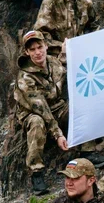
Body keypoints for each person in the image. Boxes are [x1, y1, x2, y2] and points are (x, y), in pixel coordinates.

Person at [14, 29, 68, 193]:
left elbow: (64, 72)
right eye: (32, 49)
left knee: (77, 108)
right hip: (35, 114)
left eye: (39, 47)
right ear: (26, 52)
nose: (37, 52)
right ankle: (36, 172)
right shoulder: (25, 78)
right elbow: (41, 108)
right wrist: (58, 134)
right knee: (37, 123)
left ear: (45, 46)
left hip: (57, 108)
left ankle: (88, 149)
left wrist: (66, 54)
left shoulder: (53, 63)